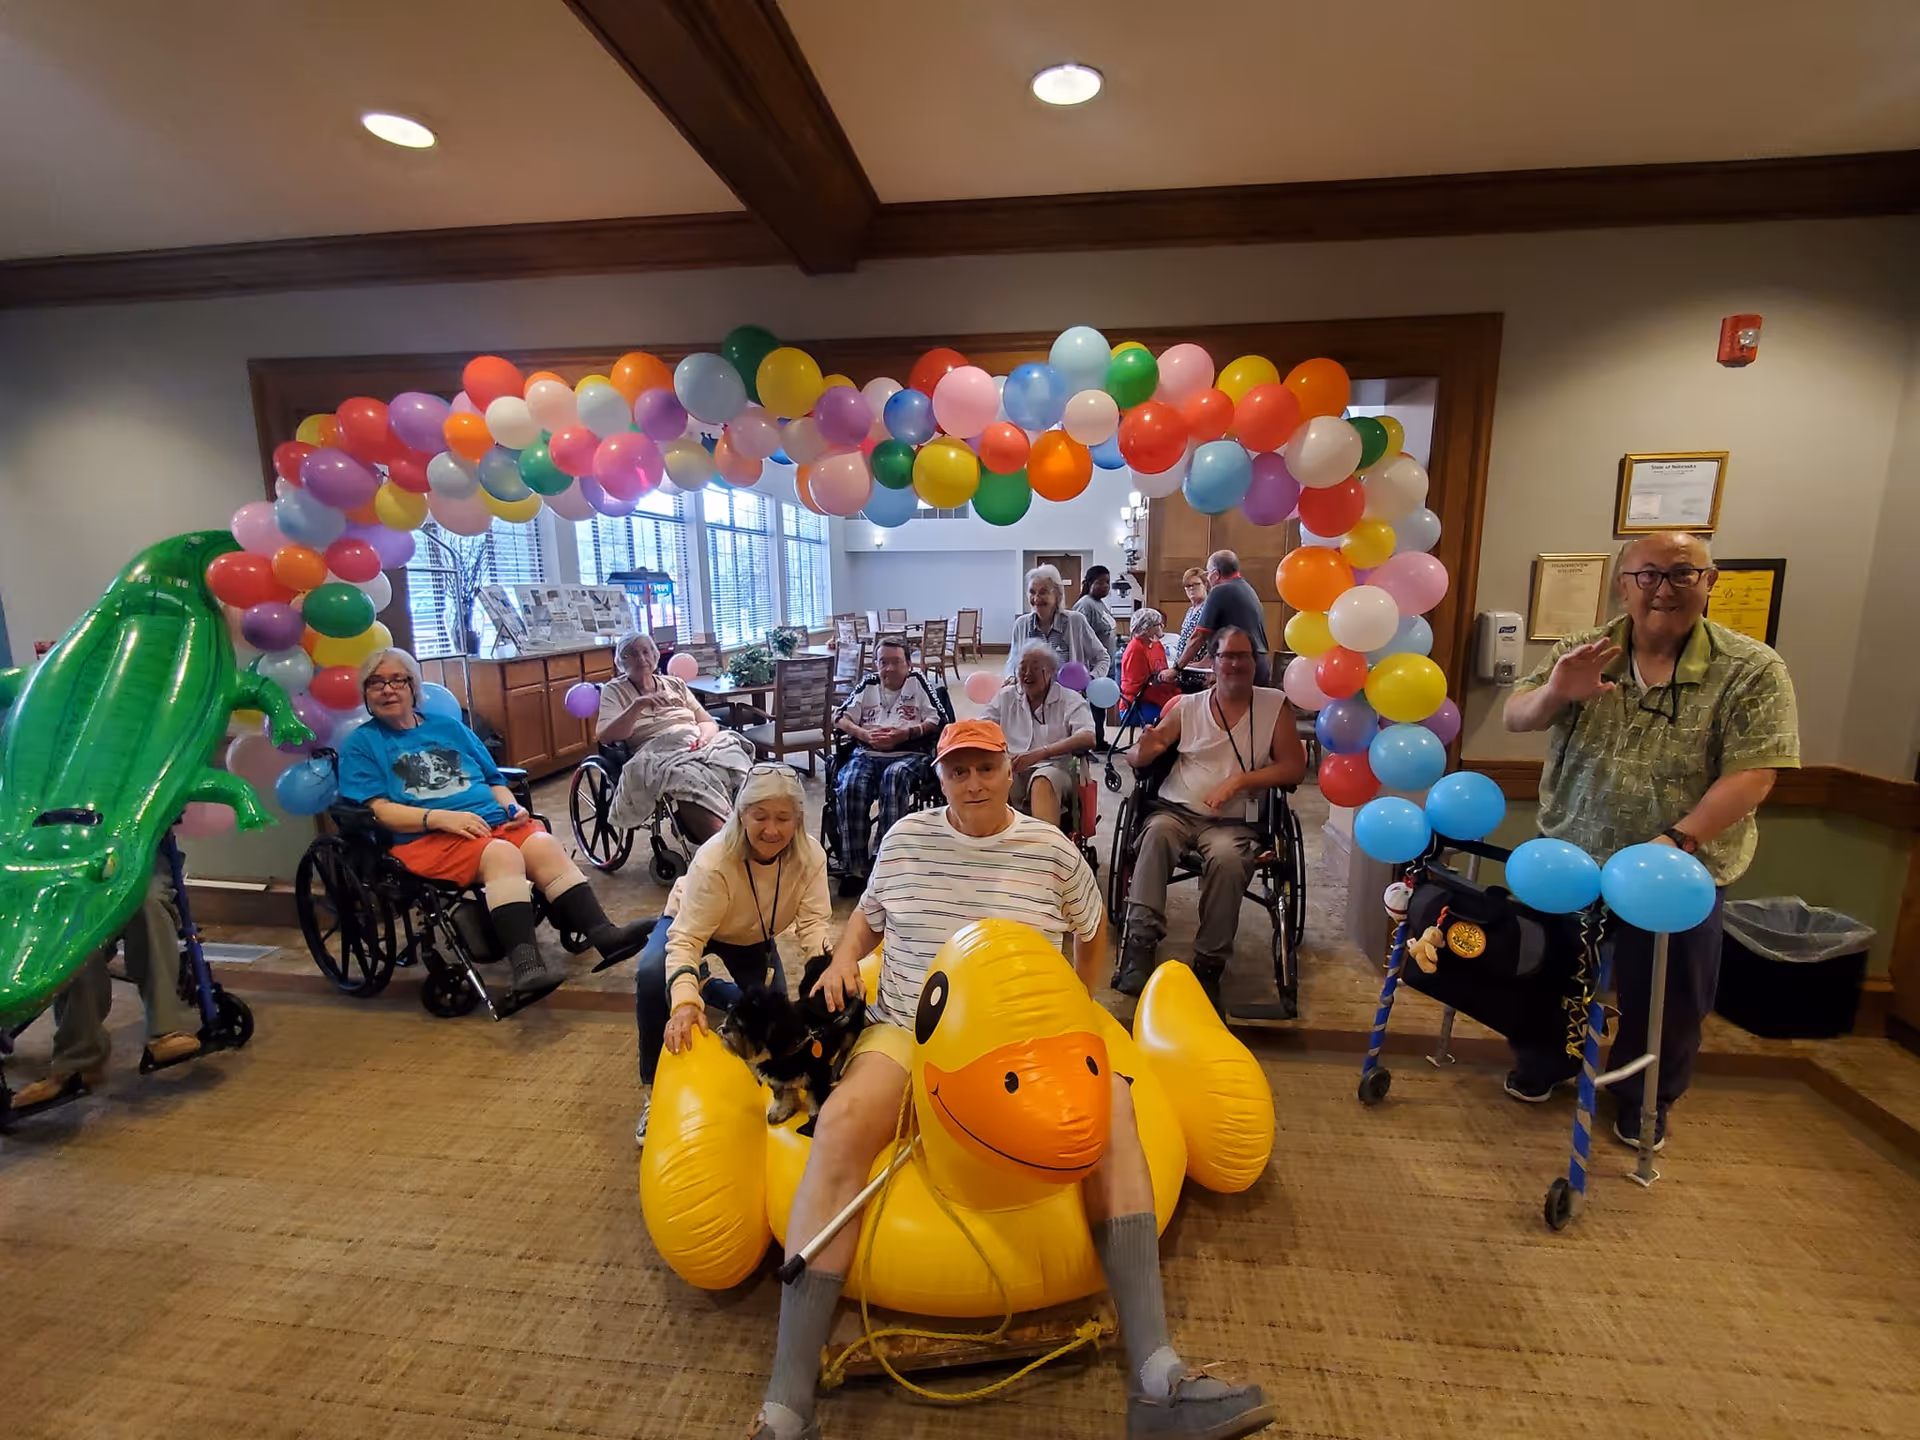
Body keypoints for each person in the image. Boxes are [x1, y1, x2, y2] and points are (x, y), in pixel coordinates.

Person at [746, 719, 1276, 1440]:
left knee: (1113, 1112)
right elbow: (867, 920)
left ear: (1008, 770)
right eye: (957, 771)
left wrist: (1078, 1009)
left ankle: (1159, 1377)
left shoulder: (1050, 850)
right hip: (909, 1026)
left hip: (1027, 1043)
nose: (972, 783)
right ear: (940, 779)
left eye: (985, 768)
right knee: (841, 1124)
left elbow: (1093, 935)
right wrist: (844, 959)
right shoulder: (905, 841)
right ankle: (786, 1406)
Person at [1502, 531, 1799, 1151]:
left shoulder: (1751, 669)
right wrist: (1558, 691)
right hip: (1573, 854)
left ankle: (1644, 1099)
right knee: (1544, 968)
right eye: (1647, 575)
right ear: (1623, 584)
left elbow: (1755, 771)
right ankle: (1544, 1063)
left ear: (1710, 582)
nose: (1663, 589)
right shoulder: (1582, 652)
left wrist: (1678, 840)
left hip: (1676, 867)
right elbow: (1515, 715)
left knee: (1668, 994)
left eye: (1682, 574)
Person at [338, 648, 652, 996]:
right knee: (502, 855)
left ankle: (604, 934)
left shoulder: (448, 727)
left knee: (542, 843)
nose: (387, 689)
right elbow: (378, 808)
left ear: (413, 687)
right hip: (425, 837)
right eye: (376, 683)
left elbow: (493, 779)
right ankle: (526, 967)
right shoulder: (362, 744)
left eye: (397, 680)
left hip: (491, 823)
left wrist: (513, 809)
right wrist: (440, 818)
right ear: (366, 693)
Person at [631, 765, 830, 1145]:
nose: (771, 830)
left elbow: (815, 926)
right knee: (655, 974)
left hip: (753, 934)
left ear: (798, 819)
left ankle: (710, 989)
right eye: (760, 816)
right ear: (741, 814)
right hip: (694, 922)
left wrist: (826, 970)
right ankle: (652, 1093)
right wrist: (684, 1004)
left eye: (783, 818)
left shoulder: (811, 858)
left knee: (777, 1022)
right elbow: (686, 939)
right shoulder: (713, 860)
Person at [1118, 627, 1307, 1008]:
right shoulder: (1187, 707)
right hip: (1175, 811)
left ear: (1254, 662)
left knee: (1228, 860)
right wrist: (1145, 748)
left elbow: (1293, 769)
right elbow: (1138, 758)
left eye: (1243, 655)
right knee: (1154, 838)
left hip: (1234, 823)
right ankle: (1140, 945)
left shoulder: (1274, 706)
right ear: (1213, 663)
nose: (1235, 663)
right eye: (1227, 656)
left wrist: (1241, 781)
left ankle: (1208, 963)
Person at [6, 867, 200, 1110]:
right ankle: (77, 1059)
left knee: (147, 905)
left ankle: (165, 1031)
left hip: (138, 857)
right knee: (73, 926)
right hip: (71, 866)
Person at [597, 631, 754, 844]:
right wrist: (638, 705)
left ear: (655, 655)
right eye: (632, 654)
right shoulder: (614, 690)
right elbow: (606, 735)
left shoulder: (675, 684)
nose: (641, 658)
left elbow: (707, 722)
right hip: (657, 750)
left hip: (697, 742)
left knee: (736, 757)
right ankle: (725, 844)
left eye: (646, 651)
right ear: (621, 661)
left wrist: (705, 739)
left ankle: (750, 824)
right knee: (689, 778)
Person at [830, 636, 943, 897]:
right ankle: (855, 867)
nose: (889, 668)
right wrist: (864, 734)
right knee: (850, 784)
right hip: (867, 751)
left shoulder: (919, 683)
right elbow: (839, 717)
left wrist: (905, 734)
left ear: (908, 663)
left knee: (894, 778)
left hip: (908, 753)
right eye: (883, 662)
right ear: (875, 663)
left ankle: (886, 862)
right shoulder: (868, 683)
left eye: (896, 662)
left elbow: (939, 718)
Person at [981, 640, 1096, 831]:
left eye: (1035, 668)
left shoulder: (1070, 699)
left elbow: (1087, 737)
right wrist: (1001, 754)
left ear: (1050, 671)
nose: (1026, 674)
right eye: (1022, 667)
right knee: (992, 778)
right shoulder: (1006, 697)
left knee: (1043, 780)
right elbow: (983, 727)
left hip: (1058, 767)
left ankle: (1044, 851)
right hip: (1013, 765)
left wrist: (1041, 753)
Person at [1167, 551, 1271, 686]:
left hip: (1239, 666)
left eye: (1208, 573)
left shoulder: (1219, 591)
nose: (1208, 578)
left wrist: (1176, 669)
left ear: (1216, 574)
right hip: (1259, 664)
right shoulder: (1247, 588)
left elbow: (1199, 636)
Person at [1005, 565, 1110, 685]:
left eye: (1043, 592)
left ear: (1057, 595)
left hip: (1069, 700)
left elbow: (1103, 659)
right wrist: (1011, 677)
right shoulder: (1021, 624)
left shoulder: (1076, 621)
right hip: (1032, 700)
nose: (1036, 598)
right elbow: (1012, 663)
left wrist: (1089, 680)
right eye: (1032, 592)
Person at [1074, 565, 1119, 744]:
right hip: (1091, 667)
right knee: (1089, 709)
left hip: (1104, 664)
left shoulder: (1099, 604)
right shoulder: (1085, 605)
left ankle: (1099, 740)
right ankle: (1088, 742)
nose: (1105, 586)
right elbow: (1079, 637)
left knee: (1099, 707)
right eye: (1100, 582)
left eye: (1107, 582)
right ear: (1089, 583)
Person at [1119, 607, 1181, 726]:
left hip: (1156, 695)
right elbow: (1137, 687)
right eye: (1158, 624)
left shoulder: (1156, 644)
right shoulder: (1135, 649)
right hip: (1136, 704)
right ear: (1147, 628)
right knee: (1178, 715)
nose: (1162, 626)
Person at [1172, 567, 1210, 672]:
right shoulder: (1190, 611)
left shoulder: (1209, 608)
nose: (1192, 588)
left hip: (1201, 672)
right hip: (1184, 670)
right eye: (1188, 586)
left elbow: (1218, 640)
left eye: (1196, 584)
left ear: (1205, 585)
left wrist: (1205, 663)